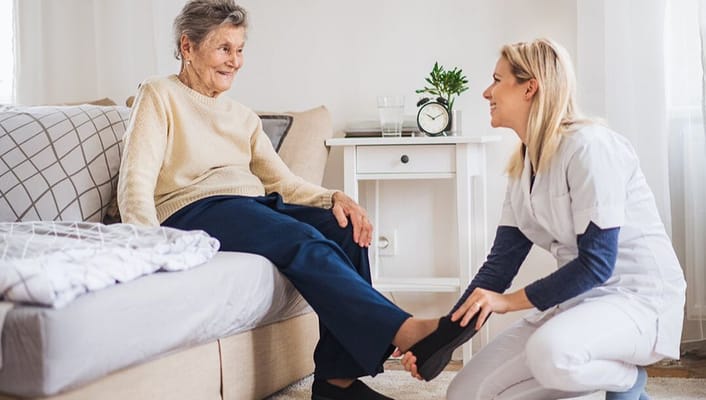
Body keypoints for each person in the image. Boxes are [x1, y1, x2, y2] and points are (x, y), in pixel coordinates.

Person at [117, 1, 466, 399]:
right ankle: (403, 329)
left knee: (343, 228)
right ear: (188, 46)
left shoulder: (242, 117)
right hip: (191, 210)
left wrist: (335, 197)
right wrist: (146, 243)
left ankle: (337, 382)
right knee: (302, 240)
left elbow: (282, 181)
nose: (235, 61)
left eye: (240, 49)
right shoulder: (159, 94)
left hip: (246, 207)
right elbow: (136, 177)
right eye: (224, 49)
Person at [398, 38, 687, 400]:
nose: (487, 92)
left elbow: (596, 264)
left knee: (551, 353)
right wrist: (439, 342)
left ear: (529, 87)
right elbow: (497, 271)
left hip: (635, 300)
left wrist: (506, 303)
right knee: (465, 395)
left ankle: (627, 381)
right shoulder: (523, 166)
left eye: (497, 80)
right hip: (577, 305)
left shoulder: (591, 147)